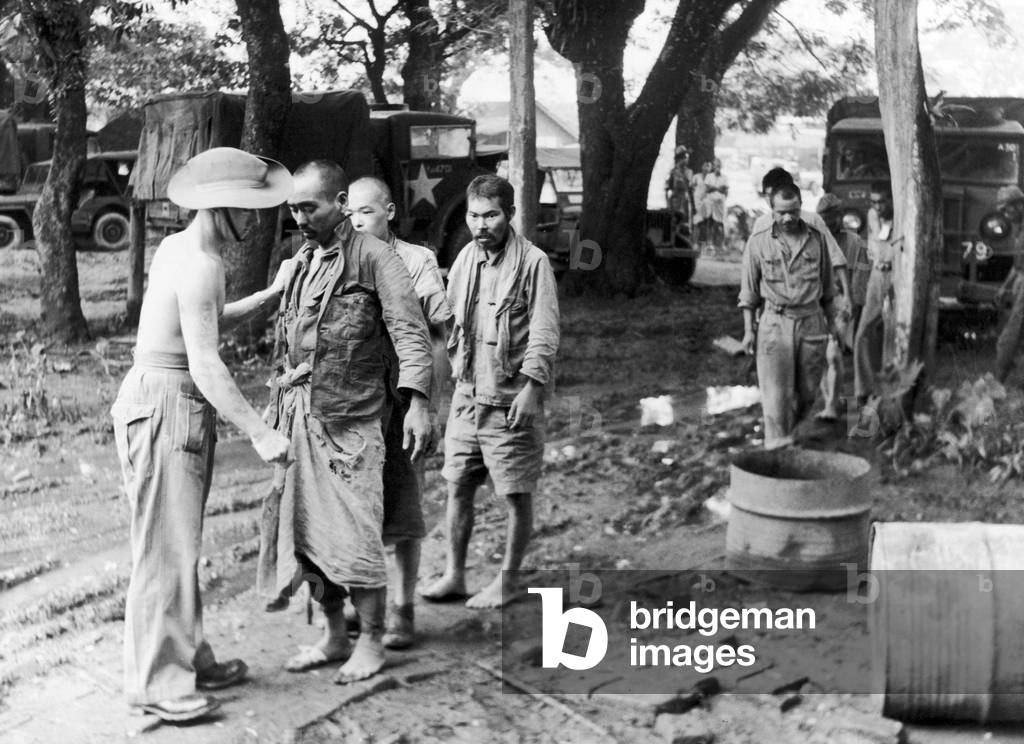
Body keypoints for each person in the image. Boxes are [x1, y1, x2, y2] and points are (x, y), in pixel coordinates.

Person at [110, 147, 293, 722]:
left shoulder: (183, 247)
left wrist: (265, 298)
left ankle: (186, 655)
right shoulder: (200, 264)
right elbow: (206, 361)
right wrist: (260, 431)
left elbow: (202, 320)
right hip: (168, 401)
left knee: (176, 544)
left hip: (159, 397)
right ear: (221, 207)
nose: (258, 218)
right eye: (250, 207)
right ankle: (159, 684)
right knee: (165, 550)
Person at [261, 160, 433, 683]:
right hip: (298, 416)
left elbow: (410, 335)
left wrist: (420, 403)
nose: (297, 216)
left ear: (339, 203)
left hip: (355, 421)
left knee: (356, 535)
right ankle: (336, 634)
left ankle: (373, 643)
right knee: (305, 531)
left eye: (307, 206)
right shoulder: (302, 259)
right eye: (292, 207)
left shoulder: (378, 258)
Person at [420, 174, 560, 609]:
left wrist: (532, 389)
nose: (481, 225)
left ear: (511, 214)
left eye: (491, 215)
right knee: (457, 485)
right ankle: (455, 575)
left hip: (509, 399)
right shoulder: (464, 258)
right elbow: (449, 325)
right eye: (474, 215)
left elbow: (544, 330)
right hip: (467, 395)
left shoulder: (533, 263)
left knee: (515, 493)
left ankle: (509, 579)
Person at [346, 176, 454, 649]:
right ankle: (364, 604)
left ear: (389, 212)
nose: (356, 221)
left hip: (400, 402)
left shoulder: (416, 261)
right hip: (356, 405)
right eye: (350, 213)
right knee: (356, 508)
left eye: (366, 212)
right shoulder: (341, 261)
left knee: (404, 509)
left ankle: (404, 608)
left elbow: (440, 334)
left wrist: (422, 404)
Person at [739, 182, 838, 449]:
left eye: (793, 211)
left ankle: (788, 434)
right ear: (771, 210)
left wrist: (834, 327)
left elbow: (828, 288)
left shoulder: (817, 239)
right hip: (774, 323)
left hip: (811, 321)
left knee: (808, 391)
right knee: (775, 394)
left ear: (800, 207)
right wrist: (749, 331)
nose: (788, 218)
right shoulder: (758, 241)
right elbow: (748, 293)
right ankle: (777, 445)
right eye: (782, 212)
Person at [816, 193, 870, 420]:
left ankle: (831, 406)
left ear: (840, 217)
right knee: (820, 357)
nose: (829, 223)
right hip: (816, 305)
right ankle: (832, 399)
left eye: (833, 218)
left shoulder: (855, 243)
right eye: (824, 219)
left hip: (842, 305)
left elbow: (859, 283)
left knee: (832, 353)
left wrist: (850, 311)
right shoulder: (813, 241)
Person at [853, 181, 896, 405]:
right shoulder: (871, 215)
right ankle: (864, 388)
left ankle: (889, 390)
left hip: (896, 277)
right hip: (876, 276)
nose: (878, 207)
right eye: (874, 202)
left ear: (891, 200)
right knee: (863, 333)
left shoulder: (902, 216)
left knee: (892, 333)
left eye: (882, 202)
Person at [993, 185, 1024, 381]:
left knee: (1009, 338)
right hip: (1020, 282)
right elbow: (1017, 265)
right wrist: (1004, 287)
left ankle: (996, 385)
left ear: (1020, 205)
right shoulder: (1019, 229)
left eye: (1007, 209)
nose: (1005, 214)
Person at [701, 158, 729, 252]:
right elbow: (707, 190)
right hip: (710, 201)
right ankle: (710, 243)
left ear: (721, 167)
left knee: (720, 223)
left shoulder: (724, 178)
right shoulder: (709, 176)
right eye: (716, 166)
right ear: (713, 166)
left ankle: (721, 244)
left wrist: (714, 188)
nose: (717, 168)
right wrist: (718, 188)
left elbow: (725, 191)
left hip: (720, 202)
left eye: (719, 166)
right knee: (710, 222)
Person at [665, 146, 694, 236]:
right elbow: (667, 189)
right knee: (674, 223)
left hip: (685, 201)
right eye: (685, 157)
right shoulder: (673, 172)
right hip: (675, 200)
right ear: (680, 158)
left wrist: (692, 204)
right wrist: (668, 204)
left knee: (686, 225)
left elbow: (690, 189)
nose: (687, 159)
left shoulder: (689, 172)